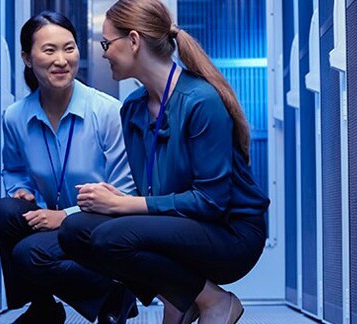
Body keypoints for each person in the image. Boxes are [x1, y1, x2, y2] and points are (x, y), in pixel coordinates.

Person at [58, 1, 270, 323]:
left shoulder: (201, 101)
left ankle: (213, 301)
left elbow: (211, 202)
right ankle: (181, 296)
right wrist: (116, 199)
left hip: (230, 233)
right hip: (183, 224)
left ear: (133, 41)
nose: (103, 53)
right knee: (75, 230)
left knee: (110, 236)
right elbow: (155, 192)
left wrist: (124, 205)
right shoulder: (132, 109)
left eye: (107, 44)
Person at [0, 11, 139, 324]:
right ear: (27, 58)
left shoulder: (108, 112)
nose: (61, 60)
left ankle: (114, 295)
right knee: (2, 214)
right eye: (49, 50)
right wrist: (22, 192)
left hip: (105, 221)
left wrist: (65, 217)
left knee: (27, 254)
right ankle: (44, 308)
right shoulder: (15, 117)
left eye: (69, 48)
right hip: (52, 218)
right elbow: (14, 170)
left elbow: (125, 190)